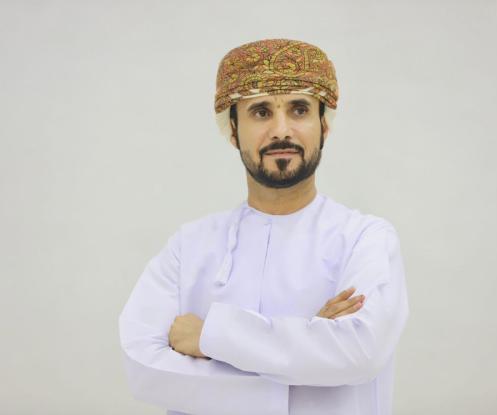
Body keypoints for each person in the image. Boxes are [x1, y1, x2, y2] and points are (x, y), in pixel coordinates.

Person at [118, 38, 409, 415]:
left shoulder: (365, 239)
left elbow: (359, 353)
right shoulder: (188, 246)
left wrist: (209, 336)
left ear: (324, 126)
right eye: (260, 112)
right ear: (233, 130)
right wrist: (311, 346)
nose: (281, 130)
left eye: (299, 110)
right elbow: (144, 368)